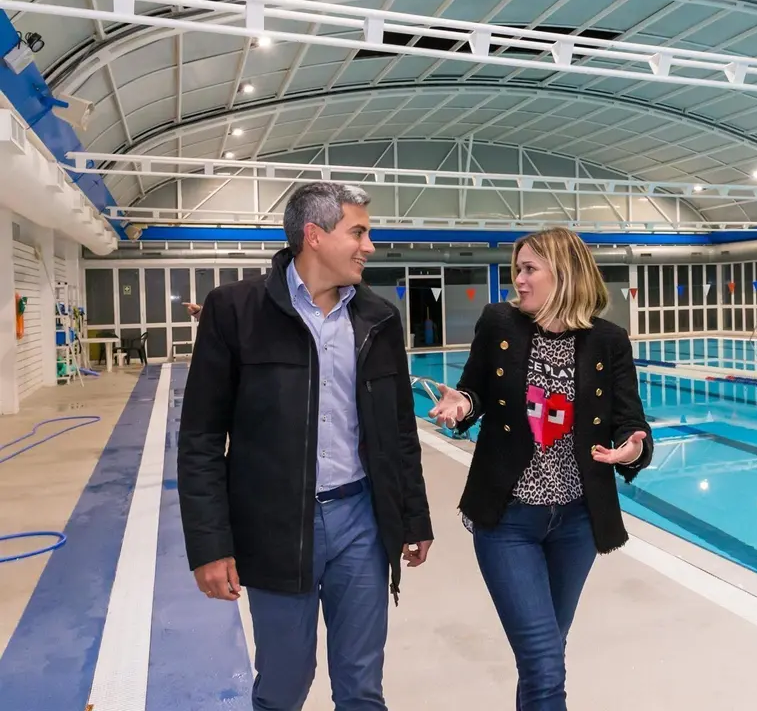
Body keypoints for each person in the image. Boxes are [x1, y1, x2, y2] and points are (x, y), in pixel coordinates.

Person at [177, 182, 434, 711]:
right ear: (314, 236)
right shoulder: (235, 310)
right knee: (284, 683)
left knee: (362, 686)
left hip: (360, 519)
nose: (370, 245)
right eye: (358, 232)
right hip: (275, 526)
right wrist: (210, 544)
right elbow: (201, 436)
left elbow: (397, 431)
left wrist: (413, 516)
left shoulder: (379, 319)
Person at [428, 226, 653, 711]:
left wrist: (631, 449)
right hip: (509, 520)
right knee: (545, 662)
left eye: (530, 270)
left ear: (564, 273)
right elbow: (475, 390)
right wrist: (461, 405)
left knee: (546, 655)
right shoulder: (498, 324)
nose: (519, 280)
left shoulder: (608, 341)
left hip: (576, 521)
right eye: (518, 270)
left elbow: (629, 421)